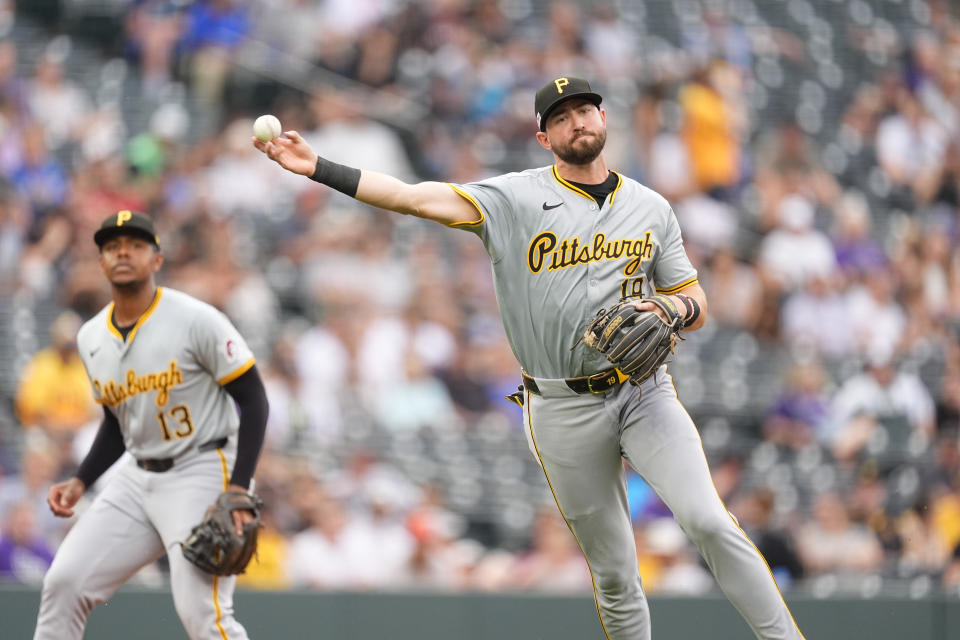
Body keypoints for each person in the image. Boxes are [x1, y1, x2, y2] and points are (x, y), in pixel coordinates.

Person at [256, 77, 805, 638]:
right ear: (544, 137)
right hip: (560, 406)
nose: (577, 122)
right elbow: (412, 197)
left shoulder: (651, 207)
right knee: (614, 572)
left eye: (585, 110)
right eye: (561, 117)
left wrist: (672, 312)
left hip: (644, 392)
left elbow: (696, 299)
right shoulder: (513, 199)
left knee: (711, 522)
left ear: (603, 117)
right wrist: (320, 166)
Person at [33, 210, 269, 640]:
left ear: (157, 260)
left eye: (135, 245)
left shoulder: (196, 319)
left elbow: (253, 399)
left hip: (202, 468)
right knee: (64, 583)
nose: (123, 253)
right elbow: (117, 422)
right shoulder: (90, 337)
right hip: (137, 476)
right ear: (101, 262)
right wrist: (82, 480)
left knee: (203, 614)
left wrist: (237, 486)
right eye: (112, 247)